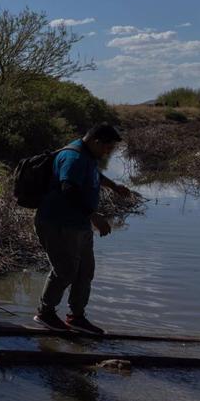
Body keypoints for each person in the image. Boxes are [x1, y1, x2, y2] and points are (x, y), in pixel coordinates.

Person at [34, 122, 130, 334]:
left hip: (78, 224)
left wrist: (114, 186)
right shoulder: (74, 157)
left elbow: (93, 174)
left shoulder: (87, 155)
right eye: (108, 148)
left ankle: (76, 317)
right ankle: (45, 313)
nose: (108, 152)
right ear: (96, 141)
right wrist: (94, 215)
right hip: (57, 222)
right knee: (65, 271)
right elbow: (68, 188)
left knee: (85, 271)